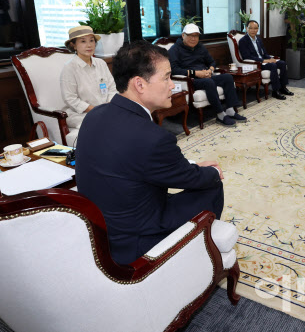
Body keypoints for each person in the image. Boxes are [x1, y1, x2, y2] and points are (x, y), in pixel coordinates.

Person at [76, 41, 226, 265]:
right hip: (135, 239)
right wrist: (212, 172)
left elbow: (146, 164)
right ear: (139, 84)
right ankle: (199, 258)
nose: (173, 86)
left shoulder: (95, 115)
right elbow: (190, 178)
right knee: (212, 185)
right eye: (166, 78)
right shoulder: (153, 138)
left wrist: (191, 168)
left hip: (100, 227)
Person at [168, 24, 246, 126]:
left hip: (206, 75)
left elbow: (212, 62)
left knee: (228, 77)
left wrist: (210, 70)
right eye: (190, 35)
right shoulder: (175, 49)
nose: (194, 39)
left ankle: (230, 110)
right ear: (183, 35)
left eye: (196, 36)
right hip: (191, 80)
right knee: (208, 82)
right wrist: (195, 73)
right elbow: (174, 70)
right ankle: (220, 114)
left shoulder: (200, 47)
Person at [60, 25, 118, 130]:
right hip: (80, 114)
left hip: (106, 109)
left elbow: (112, 88)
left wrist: (108, 106)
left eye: (92, 40)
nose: (89, 45)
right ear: (73, 45)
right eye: (83, 41)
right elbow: (70, 99)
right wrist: (96, 110)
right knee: (103, 123)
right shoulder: (69, 68)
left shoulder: (101, 63)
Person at [239, 20, 293, 100]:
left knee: (282, 63)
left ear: (258, 29)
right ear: (247, 28)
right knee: (273, 65)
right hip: (256, 63)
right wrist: (264, 61)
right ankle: (275, 91)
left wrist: (270, 58)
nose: (253, 30)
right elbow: (246, 56)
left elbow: (264, 54)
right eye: (251, 28)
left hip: (263, 61)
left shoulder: (259, 39)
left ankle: (283, 87)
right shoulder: (243, 41)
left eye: (255, 28)